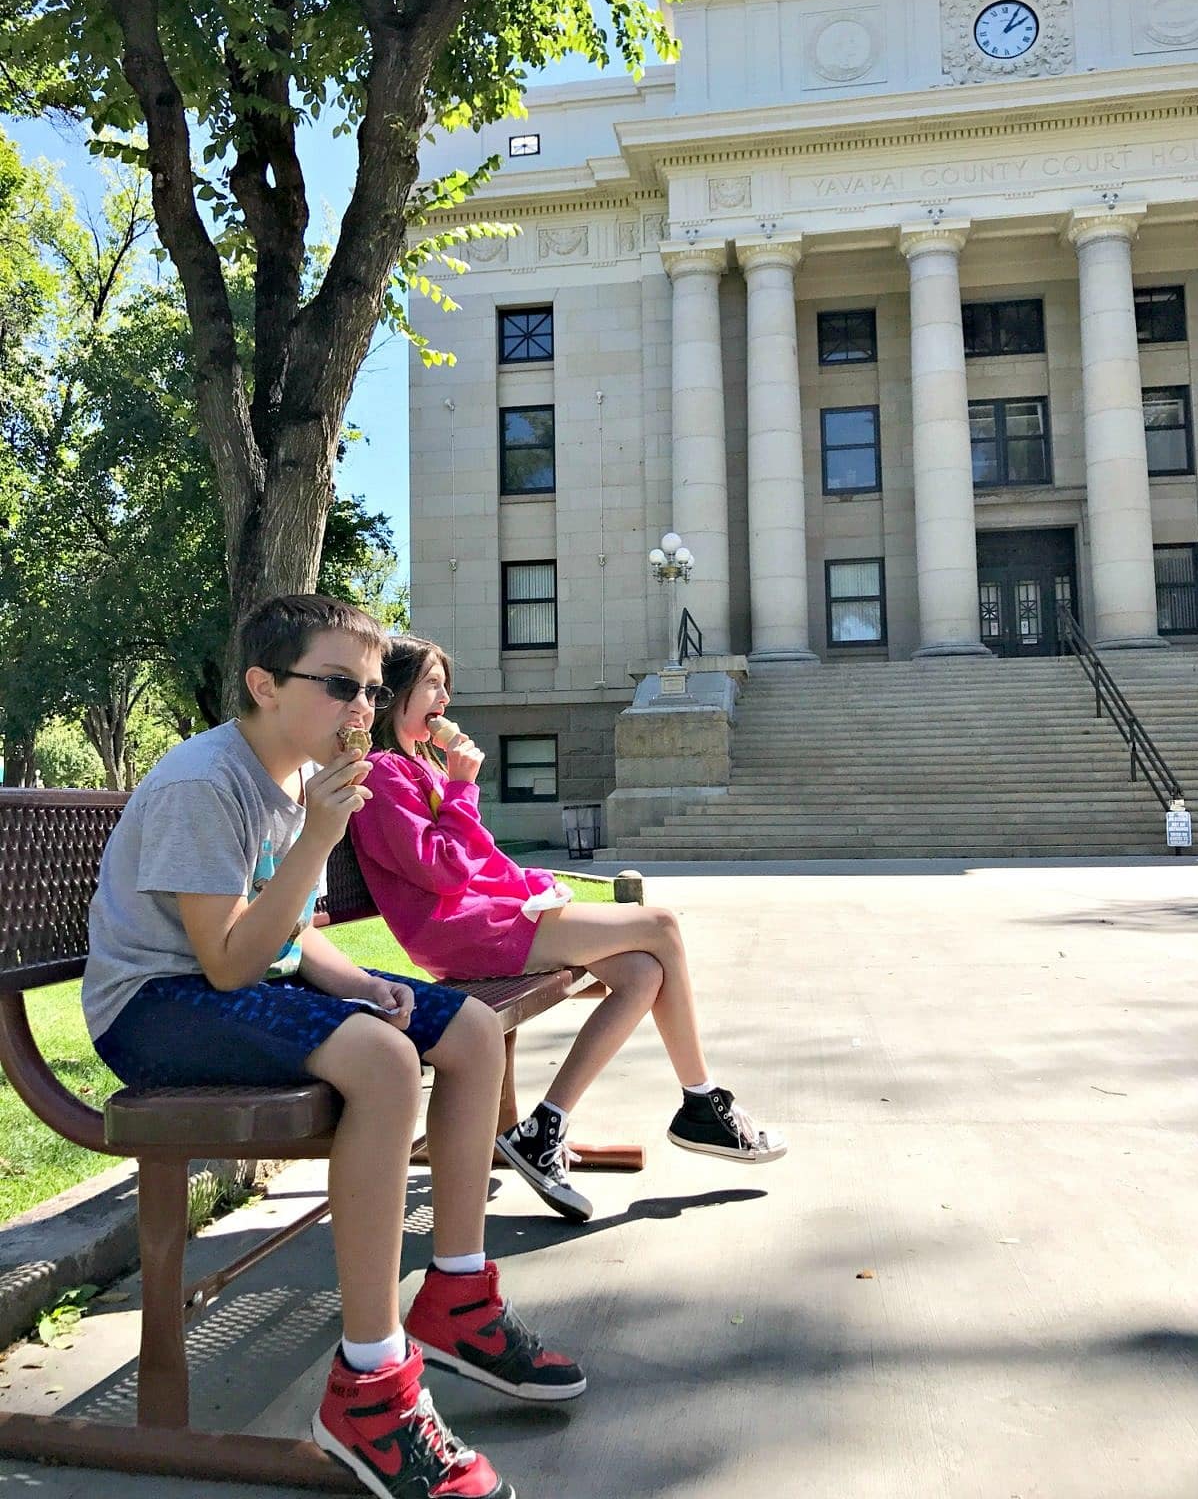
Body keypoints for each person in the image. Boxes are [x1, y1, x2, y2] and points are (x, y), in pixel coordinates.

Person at [83, 595, 584, 1499]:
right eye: (340, 686)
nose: (363, 708)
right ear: (264, 686)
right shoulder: (210, 783)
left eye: (370, 689)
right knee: (387, 1064)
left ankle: (458, 1301)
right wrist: (320, 834)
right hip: (155, 1008)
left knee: (468, 1029)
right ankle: (371, 1388)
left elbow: (285, 936)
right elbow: (230, 964)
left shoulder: (293, 774)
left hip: (232, 984)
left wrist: (357, 981)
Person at [350, 633, 787, 1227]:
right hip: (457, 932)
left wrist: (529, 885)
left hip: (489, 916)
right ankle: (702, 1101)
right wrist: (460, 788)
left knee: (641, 971)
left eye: (445, 683)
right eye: (432, 683)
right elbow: (443, 870)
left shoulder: (422, 766)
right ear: (393, 695)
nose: (446, 696)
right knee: (659, 924)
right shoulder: (382, 775)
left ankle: (544, 1125)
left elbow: (479, 857)